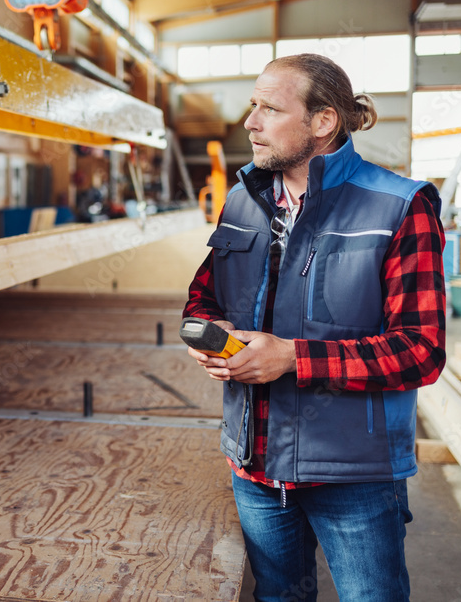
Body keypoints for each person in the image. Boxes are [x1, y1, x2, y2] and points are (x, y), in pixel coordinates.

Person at [184, 53, 446, 602]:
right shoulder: (244, 200)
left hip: (353, 473)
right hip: (254, 464)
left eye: (269, 108)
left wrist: (292, 358)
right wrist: (210, 335)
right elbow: (204, 294)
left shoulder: (399, 207)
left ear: (323, 122)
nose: (250, 122)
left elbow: (420, 351)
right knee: (278, 597)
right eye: (252, 106)